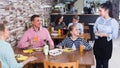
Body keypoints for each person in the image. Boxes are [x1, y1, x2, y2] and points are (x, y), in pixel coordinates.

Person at [93, 1, 119, 68]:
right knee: (98, 63)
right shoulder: (99, 19)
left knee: (105, 63)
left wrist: (105, 35)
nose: (99, 13)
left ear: (107, 10)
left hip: (106, 45)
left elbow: (115, 35)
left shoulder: (113, 22)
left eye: (100, 11)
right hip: (98, 43)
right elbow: (94, 27)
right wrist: (96, 31)